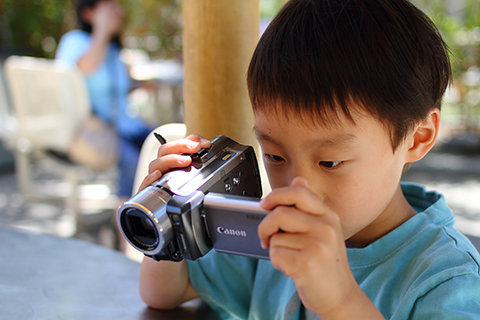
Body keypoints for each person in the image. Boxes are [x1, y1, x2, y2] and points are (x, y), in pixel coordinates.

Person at [136, 0, 480, 319]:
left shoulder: (445, 279)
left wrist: (340, 301)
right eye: (275, 155)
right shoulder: (266, 234)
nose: (299, 186)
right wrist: (165, 220)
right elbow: (166, 292)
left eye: (330, 162)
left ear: (417, 138)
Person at [56, 0, 152, 201]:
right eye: (110, 7)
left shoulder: (112, 49)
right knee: (132, 162)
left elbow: (116, 89)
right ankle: (125, 226)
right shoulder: (75, 41)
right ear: (88, 14)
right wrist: (102, 27)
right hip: (91, 133)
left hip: (125, 127)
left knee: (164, 139)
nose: (118, 11)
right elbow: (87, 67)